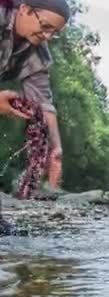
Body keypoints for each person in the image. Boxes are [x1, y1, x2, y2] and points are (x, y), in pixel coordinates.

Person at [0, 0, 70, 236]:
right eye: (45, 26)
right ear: (24, 9)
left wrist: (55, 149)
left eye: (54, 33)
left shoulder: (36, 50)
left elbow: (43, 102)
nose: (48, 36)